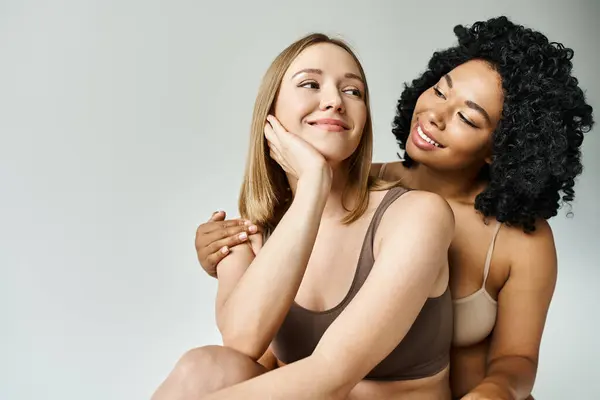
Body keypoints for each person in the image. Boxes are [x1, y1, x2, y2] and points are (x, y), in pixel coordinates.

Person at [194, 16, 595, 400]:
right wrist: (223, 252)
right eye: (439, 91)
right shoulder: (355, 190)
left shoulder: (519, 239)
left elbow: (518, 359)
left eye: (467, 119)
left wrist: (496, 390)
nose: (434, 116)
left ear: (503, 150)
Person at [152, 33, 455, 400]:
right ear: (271, 113)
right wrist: (312, 189)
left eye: (353, 91)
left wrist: (313, 179)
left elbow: (332, 376)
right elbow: (242, 342)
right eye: (310, 84)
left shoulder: (417, 216)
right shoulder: (252, 228)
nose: (334, 102)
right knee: (202, 368)